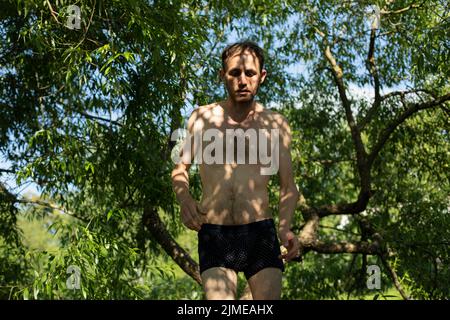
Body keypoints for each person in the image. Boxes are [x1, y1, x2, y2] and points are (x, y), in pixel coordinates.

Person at [171, 41, 300, 300]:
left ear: (261, 77)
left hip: (260, 233)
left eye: (250, 73)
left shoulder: (275, 123)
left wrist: (285, 228)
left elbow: (288, 187)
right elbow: (179, 170)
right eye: (234, 73)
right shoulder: (201, 117)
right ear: (222, 76)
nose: (242, 80)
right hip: (215, 233)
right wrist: (185, 199)